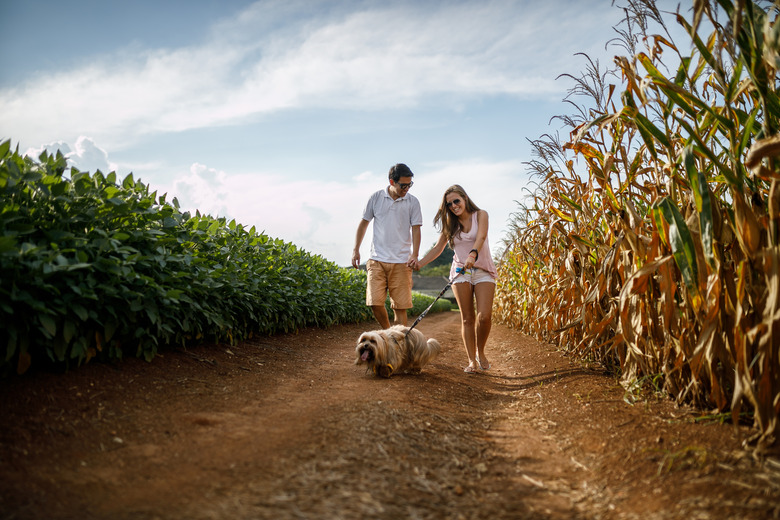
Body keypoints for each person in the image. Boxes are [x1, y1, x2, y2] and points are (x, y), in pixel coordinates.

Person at [414, 185, 497, 374]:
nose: (453, 206)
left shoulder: (481, 215)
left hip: (483, 269)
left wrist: (473, 254)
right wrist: (420, 263)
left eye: (456, 201)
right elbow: (437, 249)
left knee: (484, 317)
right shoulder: (450, 225)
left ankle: (480, 352)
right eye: (449, 204)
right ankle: (471, 361)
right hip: (460, 272)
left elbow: (481, 236)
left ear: (465, 198)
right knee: (467, 318)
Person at [352, 163, 422, 329]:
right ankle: (389, 334)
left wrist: (415, 254)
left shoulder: (413, 202)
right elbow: (363, 224)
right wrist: (356, 250)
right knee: (374, 302)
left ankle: (398, 345)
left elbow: (416, 230)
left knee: (400, 307)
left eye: (410, 184)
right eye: (403, 185)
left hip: (402, 261)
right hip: (377, 259)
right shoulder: (376, 198)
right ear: (392, 182)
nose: (407, 188)